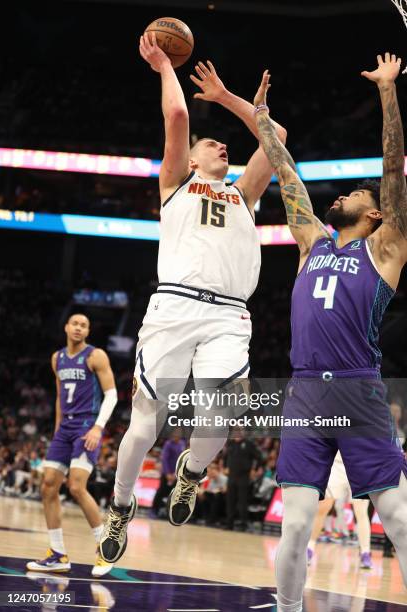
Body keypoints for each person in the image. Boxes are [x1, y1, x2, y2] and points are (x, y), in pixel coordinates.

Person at [99, 32, 287, 564]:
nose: (221, 146)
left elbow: (278, 138)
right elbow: (178, 117)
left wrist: (229, 98)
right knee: (144, 423)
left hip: (229, 315)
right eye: (213, 144)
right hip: (174, 307)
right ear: (193, 158)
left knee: (218, 417)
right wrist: (163, 65)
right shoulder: (176, 183)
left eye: (223, 144)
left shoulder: (244, 194)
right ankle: (120, 504)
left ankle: (191, 473)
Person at [254, 53, 407, 611]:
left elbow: (394, 173)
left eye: (356, 196)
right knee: (295, 527)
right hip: (304, 393)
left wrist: (387, 92)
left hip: (359, 387)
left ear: (375, 216)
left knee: (397, 518)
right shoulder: (311, 242)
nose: (341, 195)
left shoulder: (385, 248)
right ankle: (288, 608)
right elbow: (287, 172)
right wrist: (262, 120)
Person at [27, 314, 118, 577]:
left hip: (87, 425)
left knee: (77, 486)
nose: (78, 328)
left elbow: (111, 395)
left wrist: (98, 427)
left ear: (88, 331)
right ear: (66, 327)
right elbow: (59, 396)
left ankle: (106, 549)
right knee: (47, 486)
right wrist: (57, 430)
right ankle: (57, 555)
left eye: (84, 325)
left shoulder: (96, 356)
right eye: (74, 324)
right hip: (64, 429)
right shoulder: (57, 359)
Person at [307, 452, 372, 569]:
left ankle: (365, 552)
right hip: (337, 464)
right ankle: (309, 548)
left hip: (360, 464)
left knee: (361, 511)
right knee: (323, 508)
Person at [224, 428, 262, 530]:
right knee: (230, 501)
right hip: (232, 476)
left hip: (243, 476)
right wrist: (225, 467)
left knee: (242, 501)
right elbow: (225, 457)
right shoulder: (230, 443)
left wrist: (254, 469)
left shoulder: (249, 444)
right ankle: (229, 524)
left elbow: (259, 457)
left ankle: (243, 524)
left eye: (239, 430)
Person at [152, 429, 186, 517]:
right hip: (167, 473)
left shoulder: (182, 443)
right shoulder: (168, 444)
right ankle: (154, 509)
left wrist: (177, 473)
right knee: (162, 491)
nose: (177, 434)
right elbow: (165, 459)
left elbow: (182, 459)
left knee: (174, 492)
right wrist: (167, 473)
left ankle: (169, 512)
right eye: (176, 432)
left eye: (179, 433)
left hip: (176, 473)